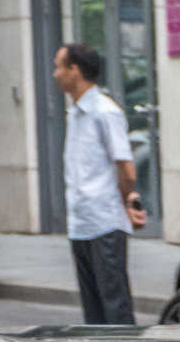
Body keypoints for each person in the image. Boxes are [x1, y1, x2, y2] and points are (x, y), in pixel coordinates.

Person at [51, 39, 145, 326]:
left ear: (74, 71)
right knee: (93, 313)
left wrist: (125, 200)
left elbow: (126, 170)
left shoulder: (106, 112)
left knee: (114, 307)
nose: (55, 73)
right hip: (81, 224)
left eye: (59, 67)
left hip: (104, 223)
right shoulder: (76, 114)